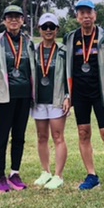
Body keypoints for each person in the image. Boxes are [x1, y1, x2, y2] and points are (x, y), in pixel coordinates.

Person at [63, 0, 104, 193]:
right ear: (77, 17)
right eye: (82, 13)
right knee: (83, 133)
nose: (86, 16)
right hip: (79, 93)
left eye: (89, 12)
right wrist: (67, 94)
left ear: (95, 15)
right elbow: (65, 67)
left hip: (101, 93)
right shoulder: (70, 38)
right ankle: (91, 175)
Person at [0, 5, 36, 193]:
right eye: (9, 17)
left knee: (19, 136)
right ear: (4, 21)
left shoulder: (28, 41)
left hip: (24, 96)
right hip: (3, 97)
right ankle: (0, 175)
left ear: (23, 20)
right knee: (2, 137)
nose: (13, 20)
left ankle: (15, 173)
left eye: (17, 17)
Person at [32, 13, 70, 190]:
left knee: (58, 136)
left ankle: (58, 175)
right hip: (38, 100)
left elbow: (70, 75)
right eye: (45, 27)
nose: (48, 30)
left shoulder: (63, 51)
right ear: (39, 29)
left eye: (52, 27)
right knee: (42, 137)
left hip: (57, 99)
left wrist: (68, 96)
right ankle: (45, 171)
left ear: (57, 30)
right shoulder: (33, 50)